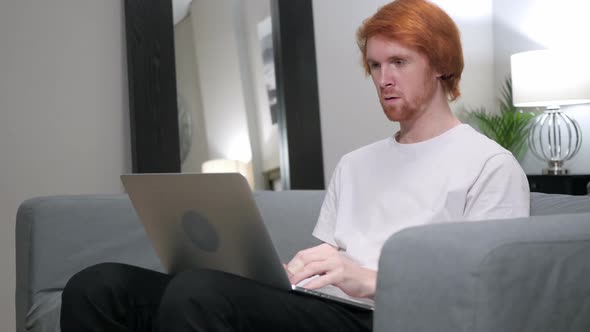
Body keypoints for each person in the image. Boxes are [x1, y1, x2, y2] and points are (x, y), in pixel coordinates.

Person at [60, 0, 530, 331]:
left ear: (442, 66)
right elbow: (327, 258)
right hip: (319, 307)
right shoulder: (356, 164)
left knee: (198, 294)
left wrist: (365, 279)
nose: (383, 80)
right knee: (98, 286)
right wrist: (286, 273)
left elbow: (486, 295)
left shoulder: (488, 165)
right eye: (374, 66)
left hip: (380, 318)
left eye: (399, 63)